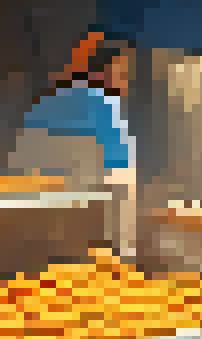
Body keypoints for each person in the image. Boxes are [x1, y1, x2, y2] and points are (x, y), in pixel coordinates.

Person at [11, 31, 140, 253]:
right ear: (101, 72)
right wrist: (124, 251)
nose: (126, 83)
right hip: (87, 239)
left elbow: (18, 168)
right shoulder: (106, 108)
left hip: (33, 236)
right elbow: (121, 183)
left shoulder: (41, 107)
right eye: (123, 73)